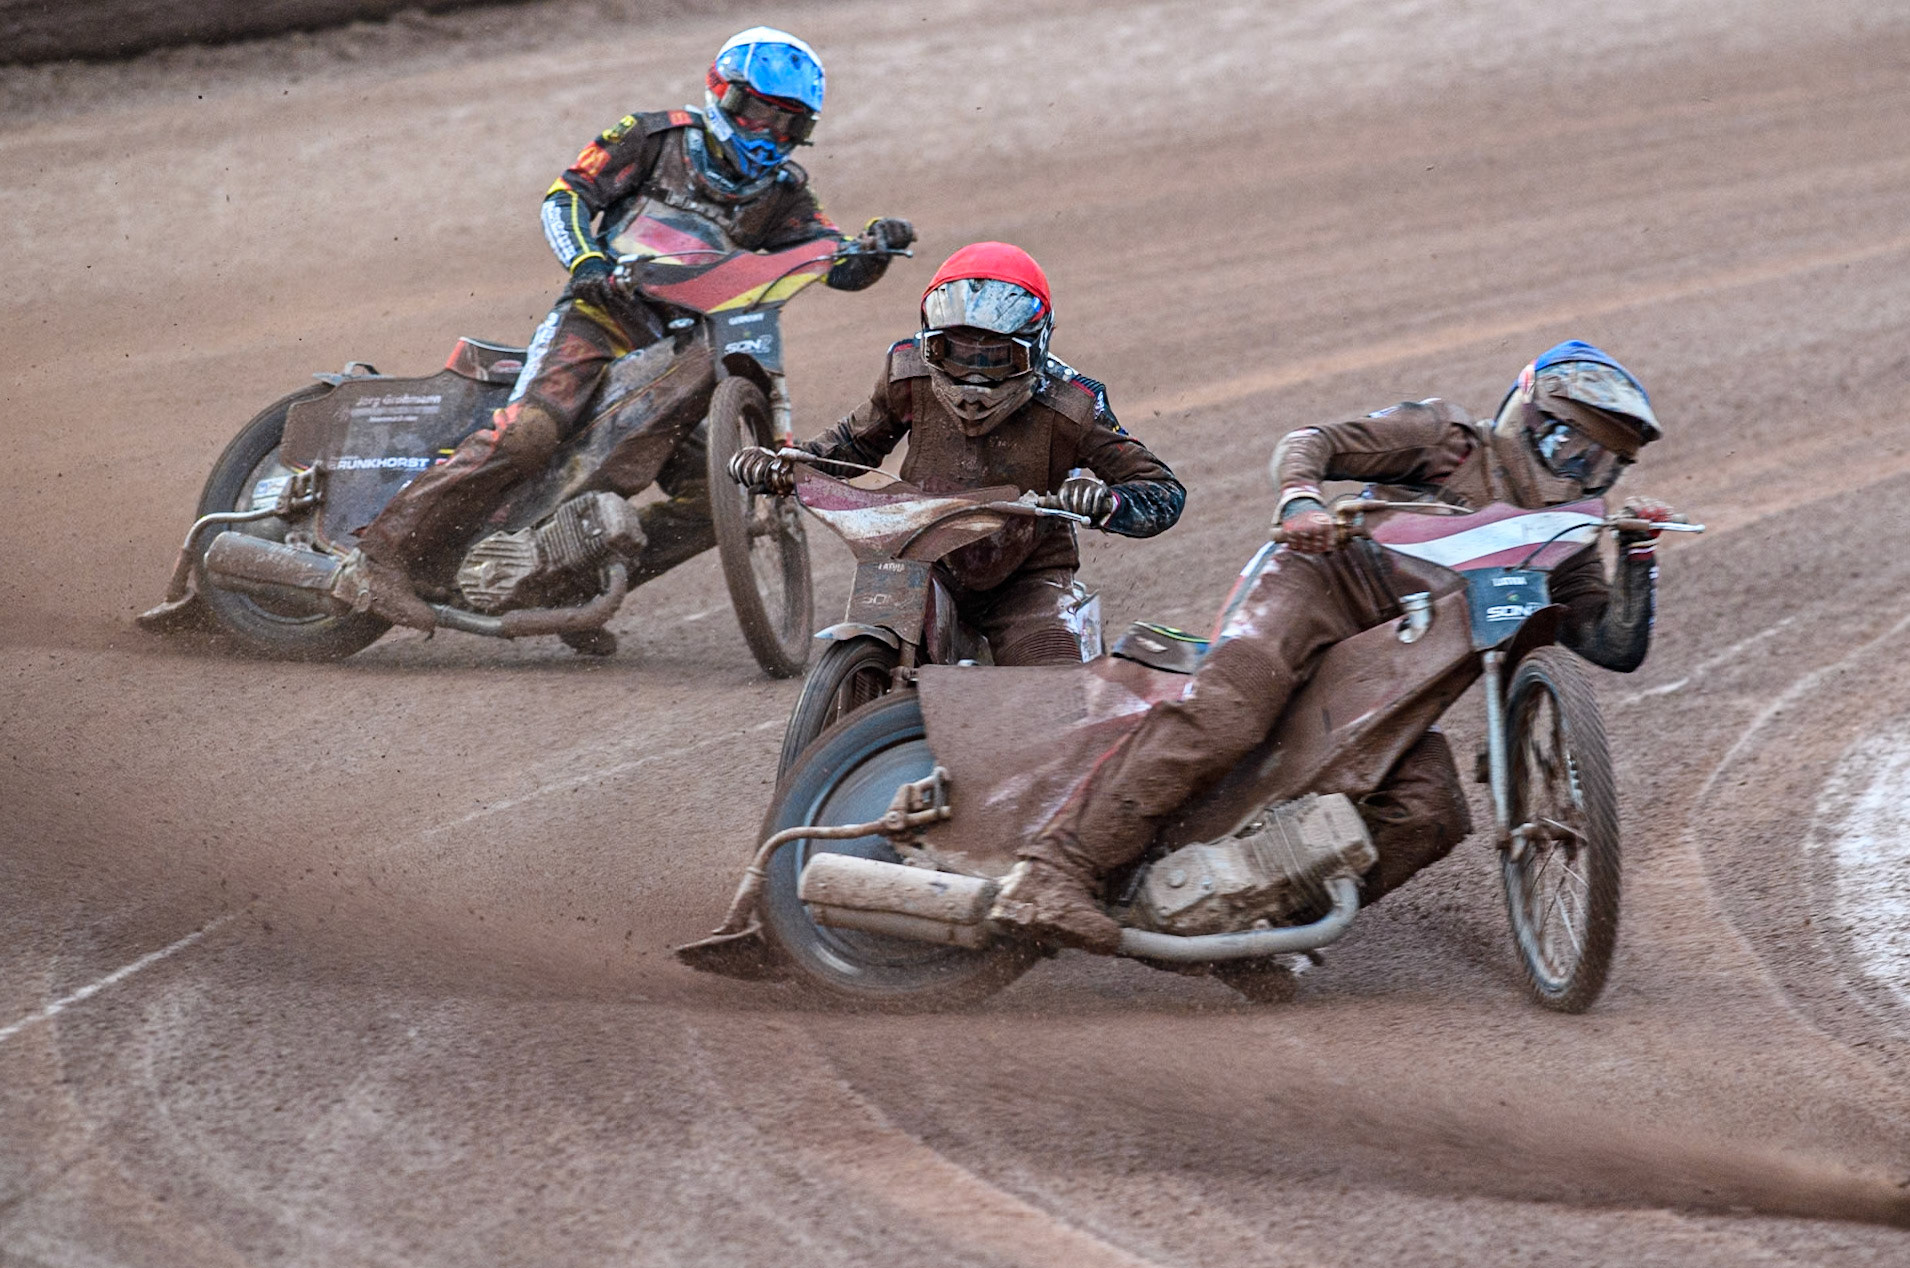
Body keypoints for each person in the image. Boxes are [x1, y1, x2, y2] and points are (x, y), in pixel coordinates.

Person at [987, 340, 1683, 949]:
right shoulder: (1446, 438)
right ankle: (1054, 871)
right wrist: (1301, 500)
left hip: (1385, 677)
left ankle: (1259, 927)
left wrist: (1639, 556)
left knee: (1429, 808)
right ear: (1525, 417)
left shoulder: (1559, 541)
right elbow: (1311, 441)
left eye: (1601, 466)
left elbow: (1611, 644)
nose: (1579, 473)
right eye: (1570, 446)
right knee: (1225, 713)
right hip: (1316, 588)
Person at [336, 26, 914, 635]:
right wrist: (587, 262)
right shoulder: (651, 136)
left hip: (686, 351)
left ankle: (563, 586)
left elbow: (828, 258)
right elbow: (565, 199)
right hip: (601, 318)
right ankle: (376, 557)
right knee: (529, 435)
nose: (768, 133)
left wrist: (873, 247)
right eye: (758, 111)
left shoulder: (785, 193)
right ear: (722, 93)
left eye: (788, 125)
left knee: (722, 497)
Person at [728, 242, 1185, 666]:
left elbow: (1163, 492)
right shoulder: (907, 372)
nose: (973, 379)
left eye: (993, 359)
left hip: (1026, 580)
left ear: (1034, 349)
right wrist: (786, 466)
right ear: (929, 343)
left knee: (1056, 691)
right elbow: (856, 442)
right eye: (953, 352)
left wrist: (1107, 503)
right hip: (920, 557)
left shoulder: (1074, 405)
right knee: (874, 628)